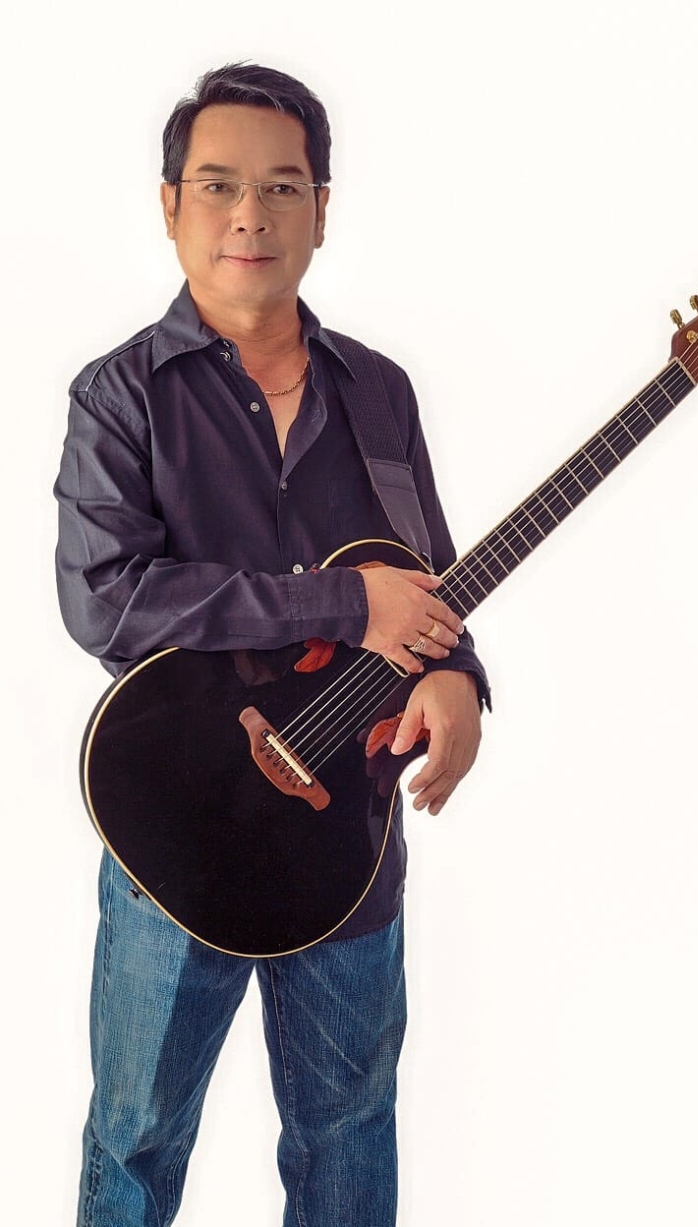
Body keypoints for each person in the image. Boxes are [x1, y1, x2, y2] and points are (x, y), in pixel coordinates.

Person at [55, 63, 488, 1227]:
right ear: (170, 205)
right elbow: (107, 602)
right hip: (174, 836)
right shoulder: (119, 397)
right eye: (219, 184)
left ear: (321, 210)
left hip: (345, 837)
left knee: (347, 1130)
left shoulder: (377, 392)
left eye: (283, 187)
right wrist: (341, 608)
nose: (250, 214)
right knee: (137, 1139)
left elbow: (424, 576)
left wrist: (456, 677)